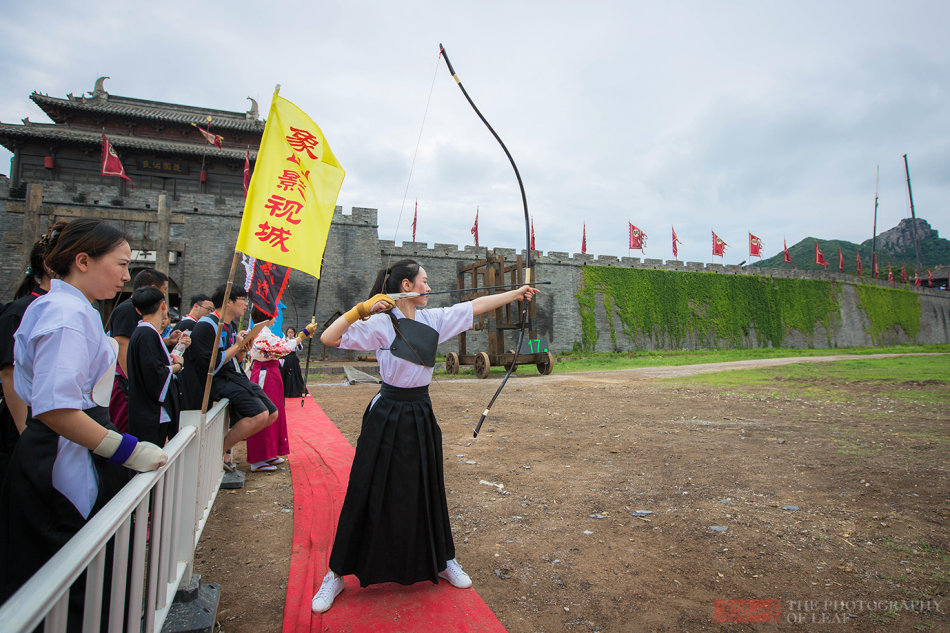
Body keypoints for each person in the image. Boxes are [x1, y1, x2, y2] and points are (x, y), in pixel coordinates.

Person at [310, 258, 539, 612]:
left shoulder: (432, 320)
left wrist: (516, 293)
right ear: (406, 286)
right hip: (386, 411)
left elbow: (475, 305)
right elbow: (329, 336)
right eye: (424, 282)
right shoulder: (381, 323)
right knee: (366, 487)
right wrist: (361, 309)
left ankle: (444, 560)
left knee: (427, 485)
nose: (429, 288)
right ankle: (337, 573)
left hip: (419, 410)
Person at [0, 218, 167, 629]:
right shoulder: (65, 314)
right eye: (121, 264)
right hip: (62, 455)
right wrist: (128, 449)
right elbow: (56, 408)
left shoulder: (75, 309)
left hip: (71, 446)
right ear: (82, 261)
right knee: (67, 580)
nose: (128, 276)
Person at [179, 284, 276, 471]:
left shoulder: (229, 326)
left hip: (234, 376)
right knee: (259, 414)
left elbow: (233, 360)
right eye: (242, 300)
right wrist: (237, 347)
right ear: (228, 302)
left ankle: (223, 449)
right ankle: (218, 452)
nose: (246, 304)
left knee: (272, 413)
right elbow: (211, 364)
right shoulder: (206, 326)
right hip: (218, 380)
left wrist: (242, 349)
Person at [0, 220, 67, 485]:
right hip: (27, 426)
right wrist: (26, 435)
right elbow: (9, 373)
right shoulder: (22, 310)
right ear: (51, 266)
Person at [106, 268, 181, 433]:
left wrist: (167, 341)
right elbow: (123, 346)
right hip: (127, 386)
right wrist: (134, 383)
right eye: (163, 291)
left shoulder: (144, 323)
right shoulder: (127, 310)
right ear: (153, 288)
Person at [244, 312, 316, 472]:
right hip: (264, 373)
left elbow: (281, 344)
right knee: (265, 412)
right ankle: (258, 458)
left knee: (276, 411)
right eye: (273, 315)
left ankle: (270, 451)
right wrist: (303, 334)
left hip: (272, 371)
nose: (275, 318)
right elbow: (283, 348)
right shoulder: (260, 333)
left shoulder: (266, 332)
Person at [127, 286, 189, 447]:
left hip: (143, 408)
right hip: (152, 410)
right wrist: (177, 365)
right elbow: (155, 372)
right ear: (163, 306)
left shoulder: (144, 332)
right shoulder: (147, 334)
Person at [280, 326, 309, 398]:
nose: (290, 334)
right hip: (285, 358)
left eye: (291, 332)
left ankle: (299, 390)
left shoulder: (296, 340)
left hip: (293, 359)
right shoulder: (284, 339)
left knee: (295, 374)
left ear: (294, 333)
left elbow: (300, 349)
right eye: (288, 332)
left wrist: (297, 341)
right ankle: (284, 391)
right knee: (284, 374)